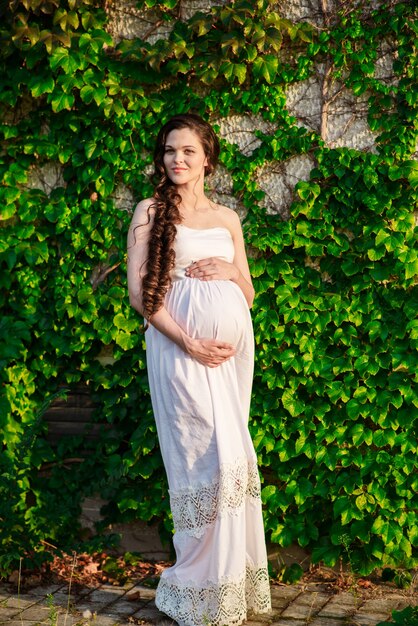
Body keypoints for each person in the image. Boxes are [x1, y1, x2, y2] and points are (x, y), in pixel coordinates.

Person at [127, 113, 271, 626]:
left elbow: (248, 294)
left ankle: (226, 581)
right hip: (178, 352)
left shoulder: (228, 217)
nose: (177, 160)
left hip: (231, 359)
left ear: (207, 157)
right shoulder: (148, 211)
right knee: (201, 460)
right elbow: (141, 295)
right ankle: (196, 579)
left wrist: (232, 271)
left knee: (234, 460)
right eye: (169, 151)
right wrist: (189, 340)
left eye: (187, 151)